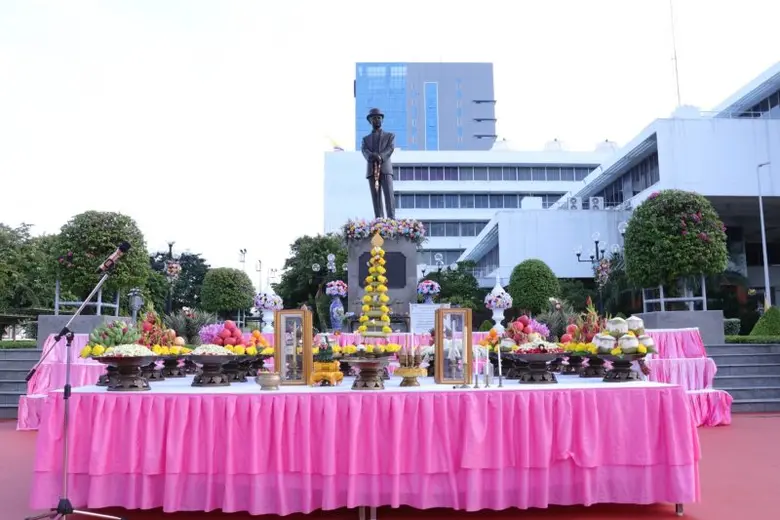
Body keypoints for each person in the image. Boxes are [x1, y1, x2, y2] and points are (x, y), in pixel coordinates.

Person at [361, 108, 396, 219]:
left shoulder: (389, 136)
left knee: (389, 195)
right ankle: (379, 220)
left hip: (385, 169)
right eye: (374, 118)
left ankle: (391, 220)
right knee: (376, 197)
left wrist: (380, 156)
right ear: (370, 121)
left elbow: (390, 148)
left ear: (382, 120)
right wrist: (372, 156)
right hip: (372, 170)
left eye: (379, 118)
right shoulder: (365, 139)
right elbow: (364, 151)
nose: (377, 120)